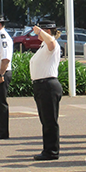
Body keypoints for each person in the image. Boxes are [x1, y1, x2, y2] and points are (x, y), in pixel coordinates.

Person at [30, 20, 62, 161]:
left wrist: (40, 32)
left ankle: (52, 151)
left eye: (42, 31)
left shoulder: (51, 44)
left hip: (48, 85)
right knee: (45, 120)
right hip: (41, 85)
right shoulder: (43, 46)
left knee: (50, 121)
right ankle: (48, 149)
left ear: (47, 32)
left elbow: (52, 43)